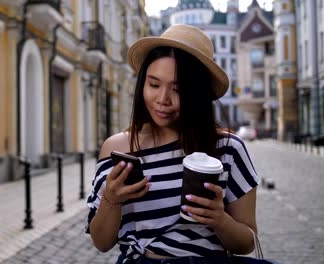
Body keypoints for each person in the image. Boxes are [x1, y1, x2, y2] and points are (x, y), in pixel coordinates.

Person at [86, 24, 262, 264]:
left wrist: (219, 219)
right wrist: (111, 199)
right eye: (154, 84)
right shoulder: (118, 148)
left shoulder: (228, 148)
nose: (162, 99)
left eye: (178, 89)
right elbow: (102, 242)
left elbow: (247, 242)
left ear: (198, 94)